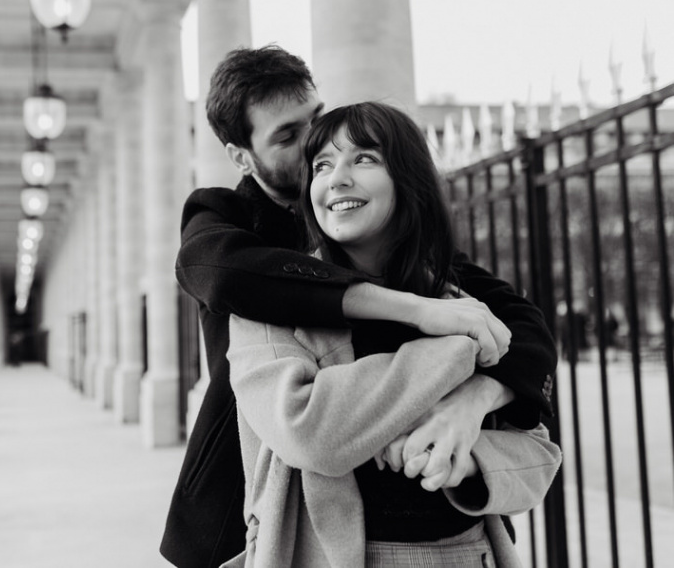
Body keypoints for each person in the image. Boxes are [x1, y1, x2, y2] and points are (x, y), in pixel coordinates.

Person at [160, 46, 557, 568]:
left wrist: (472, 402)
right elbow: (213, 267)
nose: (312, 147)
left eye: (316, 121)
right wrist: (423, 320)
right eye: (287, 136)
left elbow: (523, 326)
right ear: (241, 155)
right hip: (251, 504)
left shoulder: (433, 278)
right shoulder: (229, 221)